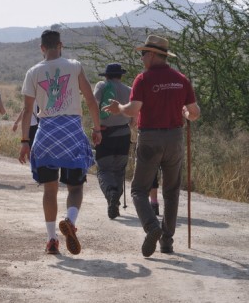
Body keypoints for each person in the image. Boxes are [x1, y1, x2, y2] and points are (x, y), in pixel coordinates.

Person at [105, 34, 200, 257]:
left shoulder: (143, 79)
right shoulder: (181, 79)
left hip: (150, 138)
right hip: (175, 138)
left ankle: (151, 226)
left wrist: (119, 108)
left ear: (153, 55)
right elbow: (194, 113)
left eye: (143, 54)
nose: (141, 58)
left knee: (138, 189)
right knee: (171, 191)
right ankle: (167, 242)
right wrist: (185, 113)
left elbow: (133, 109)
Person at [19, 30, 102, 256]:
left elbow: (28, 111)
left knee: (50, 190)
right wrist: (97, 128)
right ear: (61, 45)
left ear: (42, 48)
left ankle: (52, 239)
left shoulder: (33, 72)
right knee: (75, 187)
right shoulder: (74, 66)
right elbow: (91, 101)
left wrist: (25, 141)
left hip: (46, 135)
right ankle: (70, 220)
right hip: (72, 133)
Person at [93, 63, 133, 219]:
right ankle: (115, 203)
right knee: (119, 169)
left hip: (105, 133)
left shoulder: (102, 86)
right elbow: (134, 113)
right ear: (120, 75)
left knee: (104, 169)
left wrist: (96, 129)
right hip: (124, 134)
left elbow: (94, 106)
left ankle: (111, 193)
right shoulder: (129, 90)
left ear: (107, 75)